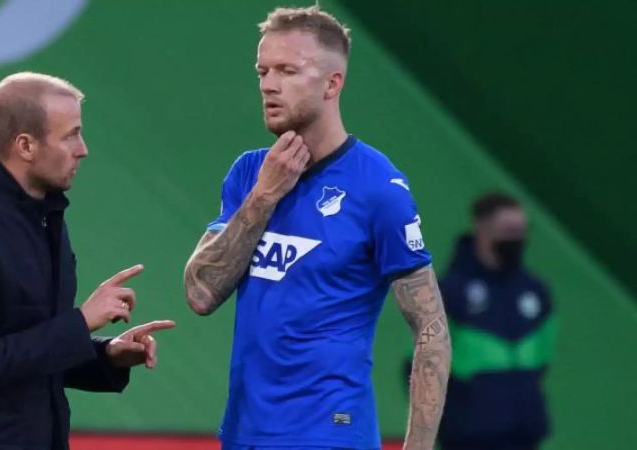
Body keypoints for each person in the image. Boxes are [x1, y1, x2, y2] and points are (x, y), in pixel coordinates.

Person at [183, 6, 450, 450]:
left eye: (288, 70)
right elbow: (199, 293)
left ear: (332, 83)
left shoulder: (377, 186)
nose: (269, 84)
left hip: (329, 433)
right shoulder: (251, 174)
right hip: (244, 433)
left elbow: (430, 326)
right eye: (262, 71)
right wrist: (265, 196)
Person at [0, 72, 175, 450]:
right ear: (26, 146)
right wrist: (80, 323)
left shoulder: (45, 219)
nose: (83, 149)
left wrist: (106, 355)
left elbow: (32, 356)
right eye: (70, 134)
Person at [436, 193, 556, 450]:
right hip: (468, 437)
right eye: (509, 230)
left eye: (522, 231)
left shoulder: (535, 291)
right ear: (482, 228)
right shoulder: (450, 292)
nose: (517, 239)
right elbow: (417, 364)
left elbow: (543, 359)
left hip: (524, 432)